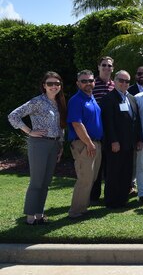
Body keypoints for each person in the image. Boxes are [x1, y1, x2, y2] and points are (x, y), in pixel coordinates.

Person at [8, 71, 67, 225]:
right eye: (50, 83)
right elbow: (13, 115)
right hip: (39, 144)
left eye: (57, 83)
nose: (54, 86)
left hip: (54, 145)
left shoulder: (59, 102)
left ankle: (39, 215)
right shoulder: (37, 101)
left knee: (46, 182)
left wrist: (60, 145)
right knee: (37, 181)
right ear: (44, 86)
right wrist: (29, 131)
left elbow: (61, 127)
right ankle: (30, 217)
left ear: (60, 86)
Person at [101, 70, 142, 208]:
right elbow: (108, 123)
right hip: (116, 144)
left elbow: (136, 121)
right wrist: (113, 141)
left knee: (126, 172)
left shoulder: (131, 98)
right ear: (115, 81)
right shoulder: (109, 98)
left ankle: (123, 199)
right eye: (121, 80)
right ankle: (111, 201)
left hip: (129, 144)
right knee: (113, 173)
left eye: (127, 81)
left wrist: (139, 139)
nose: (124, 83)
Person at [66, 70, 103, 219]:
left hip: (94, 143)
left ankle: (83, 208)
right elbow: (76, 124)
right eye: (84, 81)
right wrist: (89, 143)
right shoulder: (76, 100)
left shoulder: (91, 98)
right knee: (85, 178)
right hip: (84, 144)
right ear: (78, 83)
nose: (88, 83)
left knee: (91, 178)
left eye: (90, 80)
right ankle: (75, 212)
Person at [90, 56, 114, 203]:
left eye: (109, 66)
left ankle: (109, 195)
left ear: (113, 68)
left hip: (111, 133)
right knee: (96, 167)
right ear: (98, 67)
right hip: (97, 132)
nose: (106, 68)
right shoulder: (92, 85)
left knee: (109, 166)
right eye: (103, 65)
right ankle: (94, 197)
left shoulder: (114, 85)